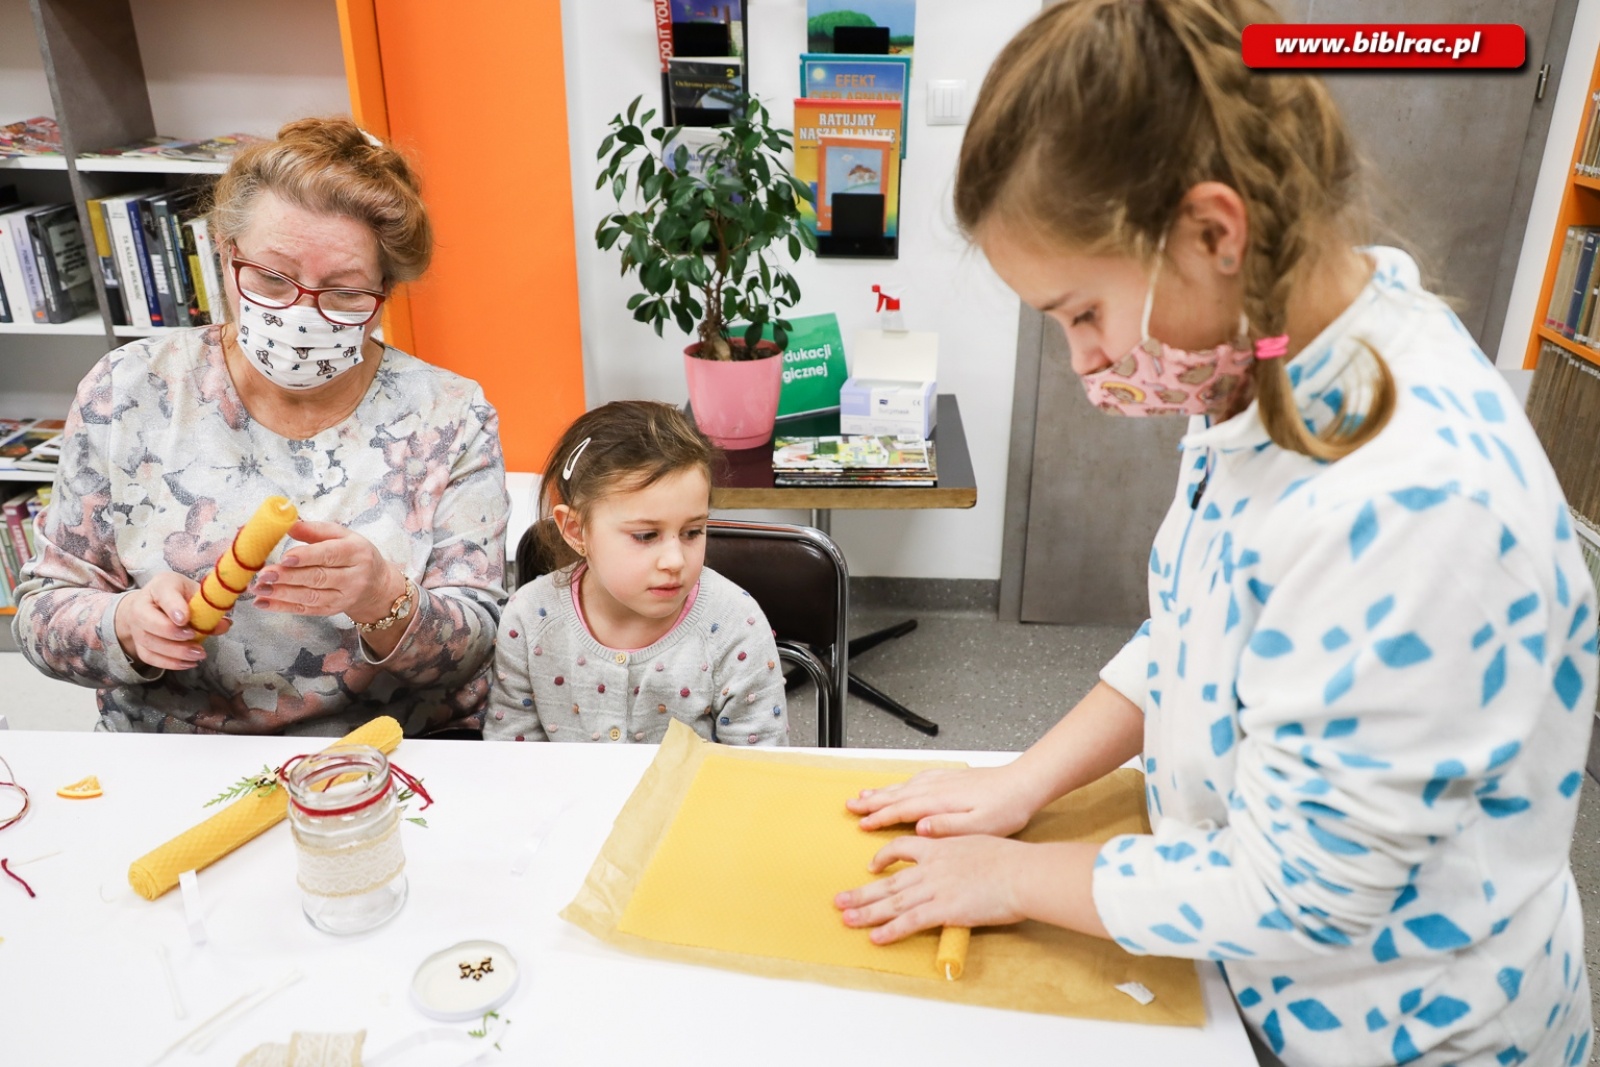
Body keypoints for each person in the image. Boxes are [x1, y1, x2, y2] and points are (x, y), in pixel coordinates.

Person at [833, 3, 1596, 1065]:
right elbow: (1196, 631)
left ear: (1213, 232)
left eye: (1082, 312)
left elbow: (1302, 888)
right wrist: (1025, 780)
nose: (1083, 360)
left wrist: (1010, 876)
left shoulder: (1413, 502)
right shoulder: (1270, 361)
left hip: (1399, 1028)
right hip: (1252, 977)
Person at [13, 117, 508, 736]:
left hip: (390, 749)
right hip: (177, 751)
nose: (302, 313)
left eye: (345, 291)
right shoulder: (130, 389)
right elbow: (40, 616)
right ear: (224, 255)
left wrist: (384, 597)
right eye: (272, 278)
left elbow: (480, 645)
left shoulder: (449, 414)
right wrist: (124, 625)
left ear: (385, 290)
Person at [485, 401, 787, 746]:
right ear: (575, 530)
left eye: (692, 532)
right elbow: (511, 760)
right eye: (645, 536)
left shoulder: (736, 623)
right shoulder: (528, 618)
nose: (675, 560)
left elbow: (757, 768)